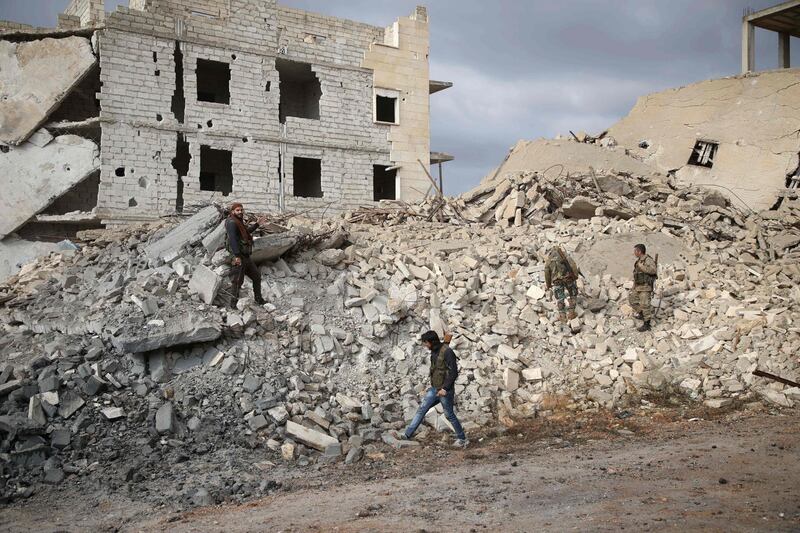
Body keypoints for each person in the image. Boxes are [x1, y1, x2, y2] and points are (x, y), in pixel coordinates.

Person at [399, 330, 468, 448]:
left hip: (445, 391)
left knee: (449, 415)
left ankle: (462, 439)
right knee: (422, 409)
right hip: (434, 389)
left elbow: (454, 373)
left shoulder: (448, 352)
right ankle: (407, 434)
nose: (425, 345)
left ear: (432, 342)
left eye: (426, 343)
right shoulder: (435, 351)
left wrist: (445, 389)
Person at [225, 202, 266, 308]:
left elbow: (246, 232)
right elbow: (232, 239)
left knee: (256, 276)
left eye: (241, 210)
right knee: (237, 281)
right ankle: (233, 306)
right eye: (237, 210)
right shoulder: (231, 222)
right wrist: (237, 256)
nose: (240, 212)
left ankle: (259, 299)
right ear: (233, 211)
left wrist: (257, 224)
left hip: (246, 256)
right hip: (238, 256)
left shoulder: (238, 221)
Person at [544, 246, 581, 322]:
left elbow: (547, 273)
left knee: (560, 298)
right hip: (568, 279)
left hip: (557, 281)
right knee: (573, 294)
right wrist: (575, 276)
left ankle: (563, 316)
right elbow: (573, 265)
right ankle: (571, 313)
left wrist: (548, 285)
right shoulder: (565, 256)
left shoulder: (549, 260)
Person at [629, 243, 657, 331]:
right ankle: (641, 314)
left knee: (645, 305)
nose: (634, 253)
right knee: (632, 300)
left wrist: (642, 267)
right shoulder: (638, 261)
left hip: (645, 287)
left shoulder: (647, 260)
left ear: (639, 251)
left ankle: (647, 324)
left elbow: (653, 270)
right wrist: (634, 285)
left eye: (635, 251)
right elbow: (636, 274)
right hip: (638, 286)